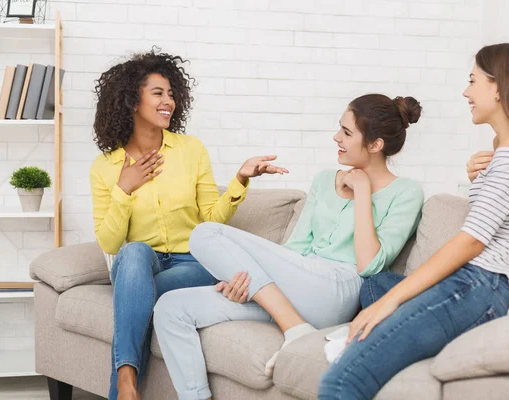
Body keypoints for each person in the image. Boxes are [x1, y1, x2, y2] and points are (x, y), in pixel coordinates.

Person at [318, 43, 509, 399]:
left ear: (499, 87)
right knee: (376, 284)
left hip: (481, 284)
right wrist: (483, 173)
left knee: (340, 381)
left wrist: (390, 303)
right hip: (485, 285)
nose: (466, 92)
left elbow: (471, 241)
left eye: (473, 81)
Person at [153, 93, 426, 400]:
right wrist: (239, 278)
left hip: (336, 289)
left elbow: (369, 265)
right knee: (170, 308)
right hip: (290, 289)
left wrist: (363, 191)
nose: (336, 137)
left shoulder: (406, 192)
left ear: (376, 145)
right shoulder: (325, 180)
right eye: (339, 128)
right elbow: (295, 248)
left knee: (205, 234)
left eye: (347, 133)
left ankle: (294, 329)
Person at [89, 49, 287, 400]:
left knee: (136, 295)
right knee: (134, 252)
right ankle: (125, 379)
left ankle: (125, 382)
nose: (170, 101)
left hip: (191, 264)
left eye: (171, 93)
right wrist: (124, 187)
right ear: (132, 101)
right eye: (158, 93)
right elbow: (109, 242)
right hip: (138, 263)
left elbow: (210, 218)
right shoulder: (105, 167)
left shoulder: (191, 150)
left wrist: (240, 179)